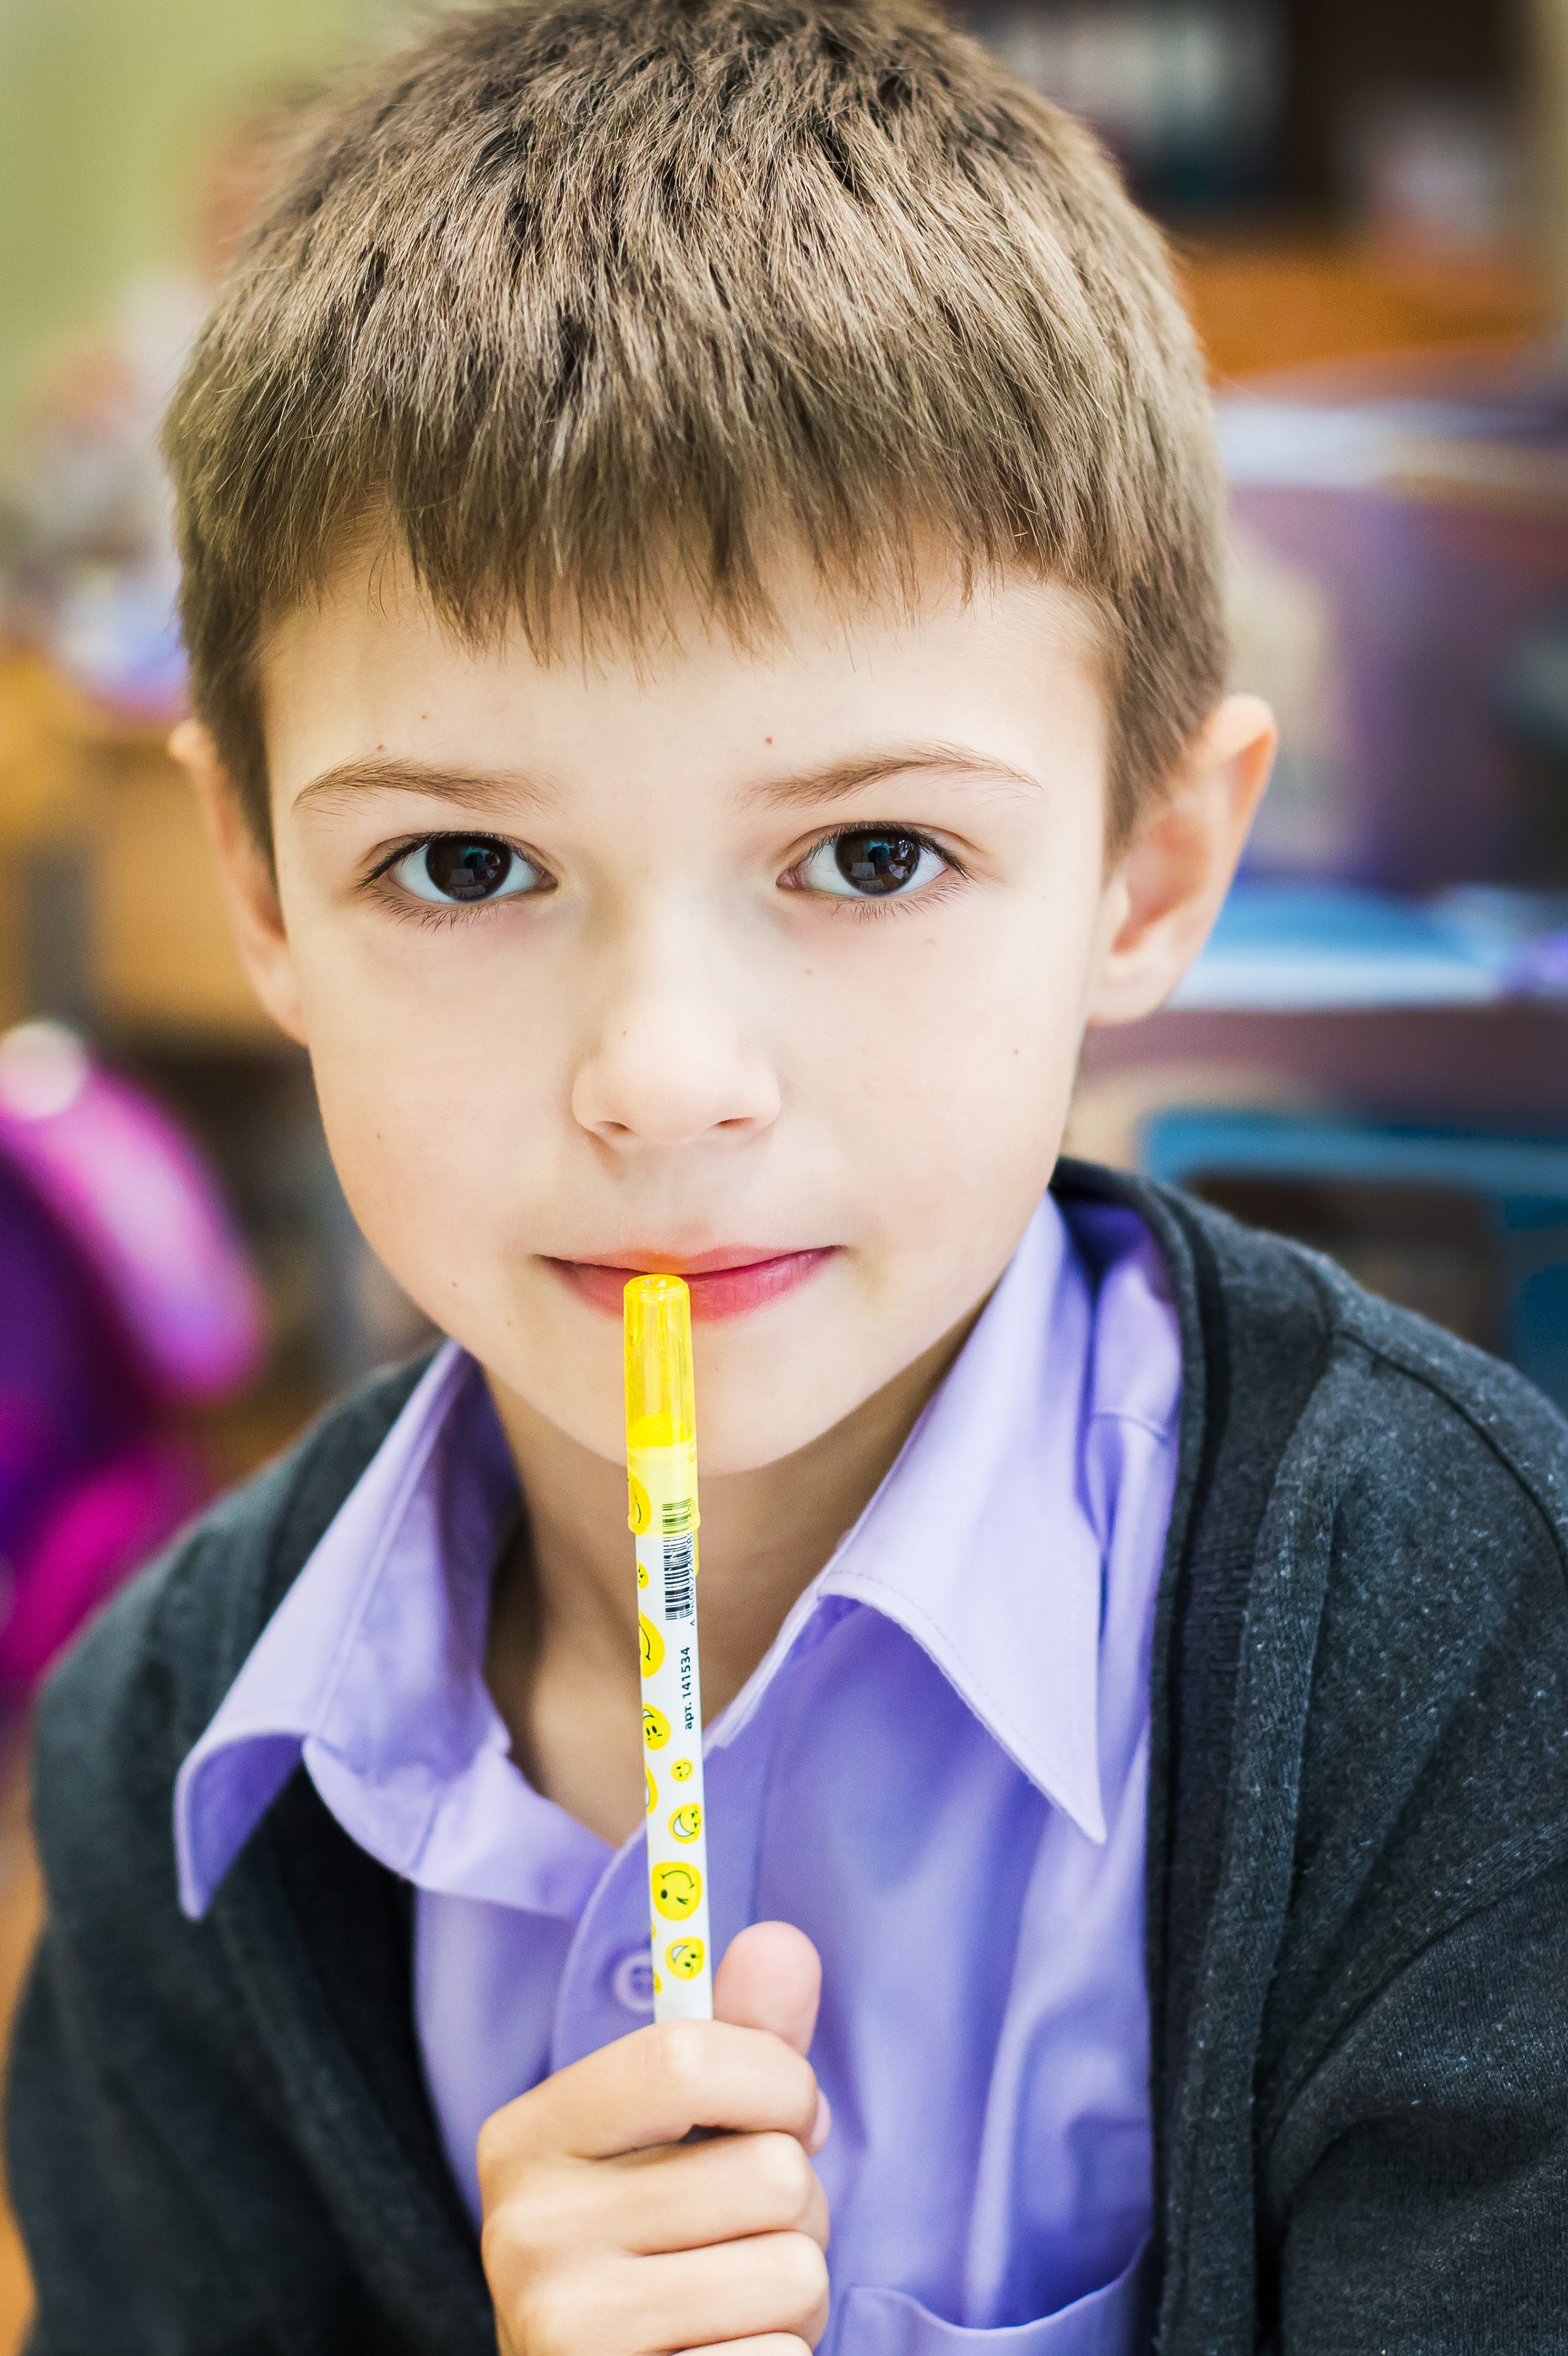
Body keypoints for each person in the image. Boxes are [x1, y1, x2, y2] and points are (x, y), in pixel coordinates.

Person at [10, 5, 1568, 2351]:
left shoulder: (1470, 1650)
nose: (661, 1078)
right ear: (257, 881)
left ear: (1152, 872)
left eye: (869, 850)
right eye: (459, 859)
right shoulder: (162, 1762)